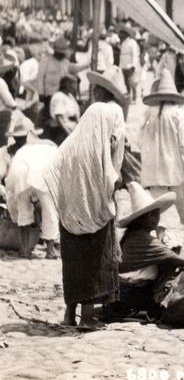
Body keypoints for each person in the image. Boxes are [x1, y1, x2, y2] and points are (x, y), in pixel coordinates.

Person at [43, 101, 126, 330]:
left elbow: (53, 169)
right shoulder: (96, 150)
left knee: (72, 264)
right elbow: (111, 181)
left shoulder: (72, 143)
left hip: (69, 216)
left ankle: (70, 314)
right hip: (92, 215)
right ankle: (87, 317)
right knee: (93, 262)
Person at [113, 183, 184, 319]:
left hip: (122, 289)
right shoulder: (144, 240)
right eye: (153, 216)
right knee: (170, 267)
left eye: (157, 215)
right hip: (131, 291)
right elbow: (183, 261)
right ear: (142, 220)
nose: (158, 219)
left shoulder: (134, 235)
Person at [140, 69, 184, 249]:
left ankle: (160, 237)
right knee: (183, 199)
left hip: (154, 166)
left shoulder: (149, 113)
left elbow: (140, 140)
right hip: (173, 164)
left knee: (158, 202)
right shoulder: (178, 114)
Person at [3, 116, 59, 258]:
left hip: (27, 175)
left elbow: (12, 180)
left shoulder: (24, 151)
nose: (19, 140)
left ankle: (25, 249)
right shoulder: (48, 146)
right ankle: (49, 250)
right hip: (40, 176)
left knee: (25, 209)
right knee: (49, 210)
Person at [35, 37, 90, 129]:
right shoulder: (46, 61)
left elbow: (75, 68)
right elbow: (40, 78)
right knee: (47, 117)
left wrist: (89, 64)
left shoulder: (65, 62)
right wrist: (41, 93)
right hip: (49, 94)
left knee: (60, 116)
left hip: (62, 95)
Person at [45, 74, 80, 145]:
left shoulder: (70, 96)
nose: (76, 86)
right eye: (74, 84)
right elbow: (59, 118)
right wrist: (69, 134)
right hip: (62, 132)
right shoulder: (59, 96)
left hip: (72, 129)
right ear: (67, 84)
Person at [118, 25, 141, 102]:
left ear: (126, 34)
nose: (120, 35)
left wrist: (133, 65)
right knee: (126, 82)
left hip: (129, 65)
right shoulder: (123, 42)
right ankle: (128, 95)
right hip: (123, 65)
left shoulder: (132, 42)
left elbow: (135, 54)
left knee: (132, 81)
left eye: (122, 34)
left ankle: (134, 97)